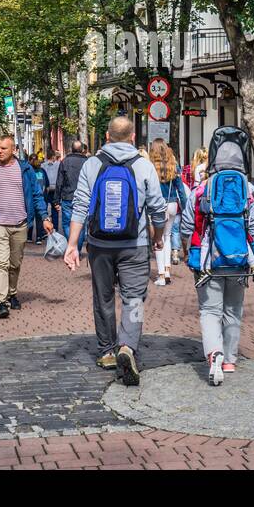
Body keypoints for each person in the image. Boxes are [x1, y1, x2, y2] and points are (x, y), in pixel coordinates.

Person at [63, 116, 167, 386]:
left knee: (103, 298)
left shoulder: (93, 164)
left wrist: (72, 245)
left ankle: (107, 351)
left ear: (107, 137)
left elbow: (81, 205)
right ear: (133, 137)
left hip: (99, 245)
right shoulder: (144, 165)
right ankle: (128, 347)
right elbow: (158, 208)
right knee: (134, 299)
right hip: (134, 244)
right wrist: (158, 238)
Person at [180, 135, 254, 386]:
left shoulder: (201, 190)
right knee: (233, 310)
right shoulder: (246, 191)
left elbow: (187, 225)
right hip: (239, 259)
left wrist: (188, 251)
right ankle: (229, 359)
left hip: (208, 259)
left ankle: (213, 354)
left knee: (209, 310)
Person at [0, 134, 52, 318]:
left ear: (14, 150)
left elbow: (36, 195)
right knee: (0, 262)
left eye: (3, 148)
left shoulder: (26, 170)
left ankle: (12, 292)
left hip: (21, 223)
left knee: (15, 263)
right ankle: (2, 301)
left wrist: (45, 217)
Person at [149, 139, 187, 286]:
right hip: (172, 204)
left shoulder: (151, 166)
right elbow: (181, 190)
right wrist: (184, 207)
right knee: (168, 236)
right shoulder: (174, 165)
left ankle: (161, 274)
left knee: (158, 238)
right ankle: (167, 270)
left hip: (157, 204)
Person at [56, 141, 88, 238]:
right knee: (81, 224)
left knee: (67, 223)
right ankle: (76, 248)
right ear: (82, 150)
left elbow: (59, 181)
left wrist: (56, 200)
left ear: (72, 149)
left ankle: (71, 244)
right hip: (83, 198)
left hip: (67, 197)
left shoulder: (65, 161)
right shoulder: (87, 162)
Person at [28, 155, 51, 242]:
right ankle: (39, 237)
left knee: (30, 217)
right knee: (39, 218)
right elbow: (47, 185)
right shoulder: (42, 171)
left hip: (31, 198)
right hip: (41, 197)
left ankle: (29, 237)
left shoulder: (28, 171)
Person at [42, 151, 61, 230]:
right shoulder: (58, 164)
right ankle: (55, 228)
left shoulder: (43, 165)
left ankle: (43, 229)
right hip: (55, 190)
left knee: (44, 209)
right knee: (55, 209)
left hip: (45, 189)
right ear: (53, 157)